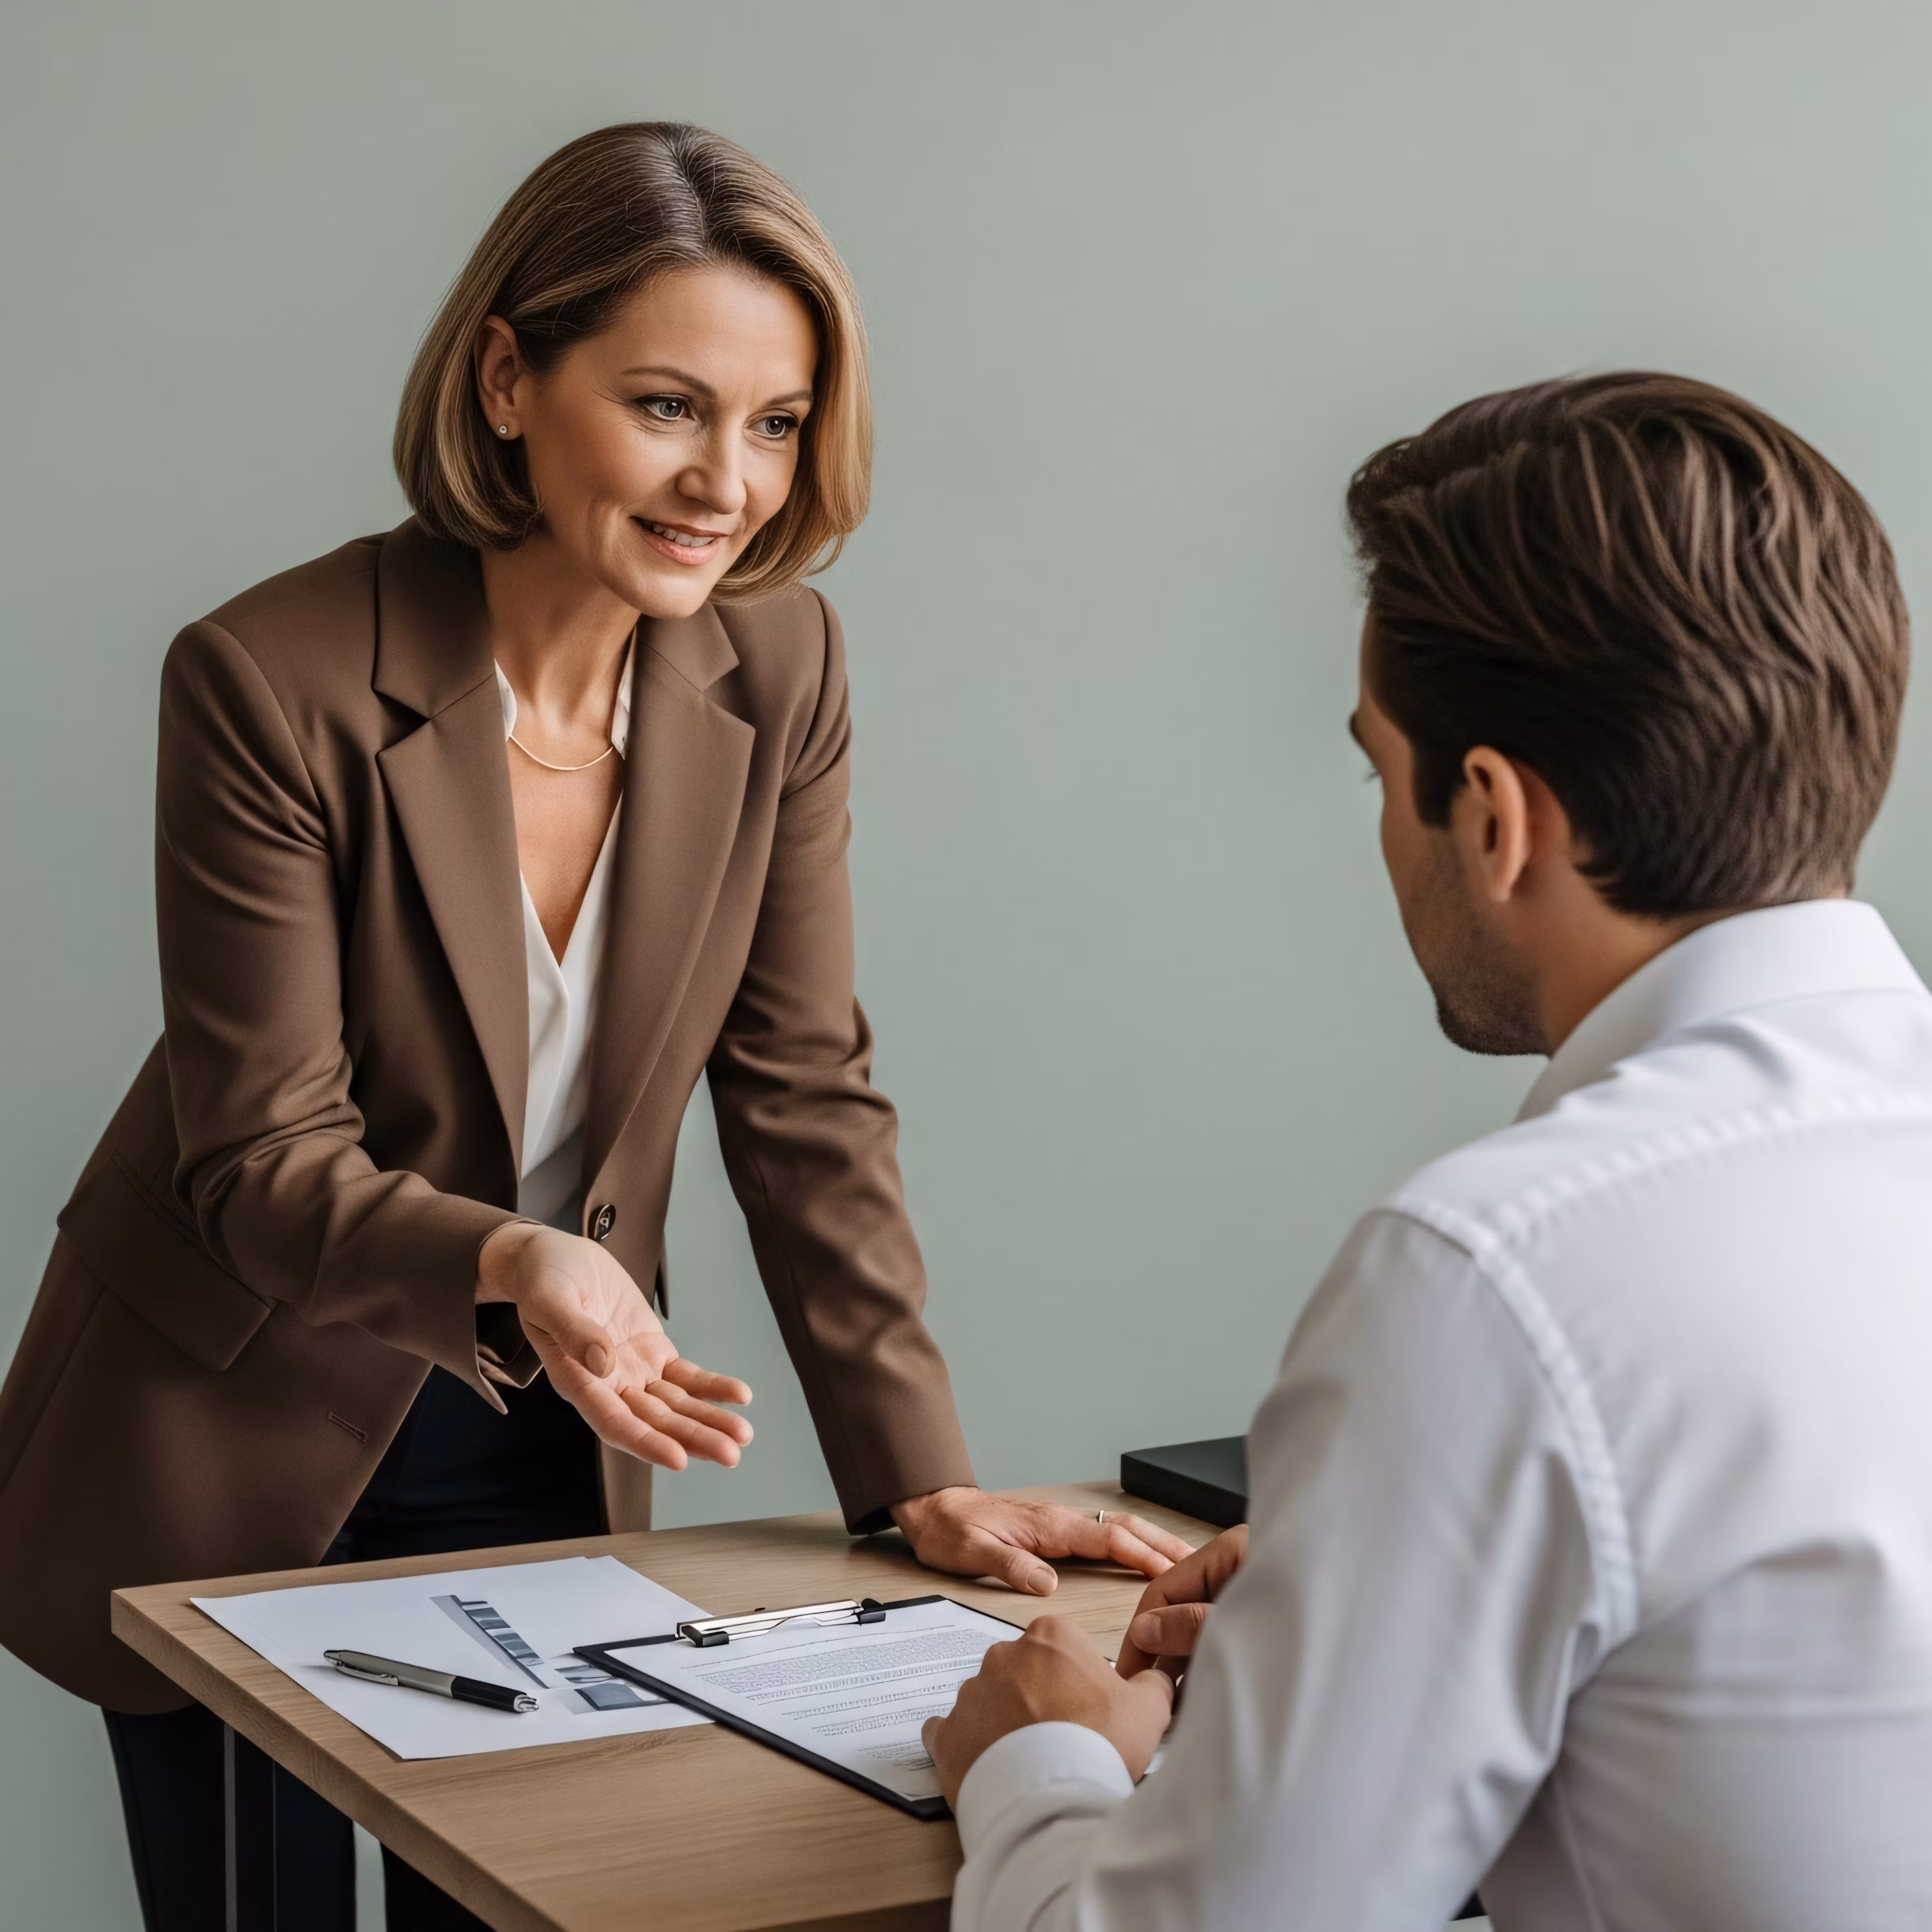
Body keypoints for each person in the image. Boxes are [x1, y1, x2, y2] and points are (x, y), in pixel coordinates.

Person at [0, 122, 1186, 1932]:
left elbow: (802, 1098)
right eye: (666, 405)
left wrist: (920, 1485)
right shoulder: (268, 678)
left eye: (775, 422)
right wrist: (514, 1252)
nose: (729, 480)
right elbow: (255, 1157)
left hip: (539, 1417)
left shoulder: (779, 670)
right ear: (505, 380)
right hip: (224, 1415)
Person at [925, 373, 1932, 1930]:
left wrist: (1037, 1761)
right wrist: (1375, 1577)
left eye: (1371, 768)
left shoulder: (1500, 1272)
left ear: (1490, 815)